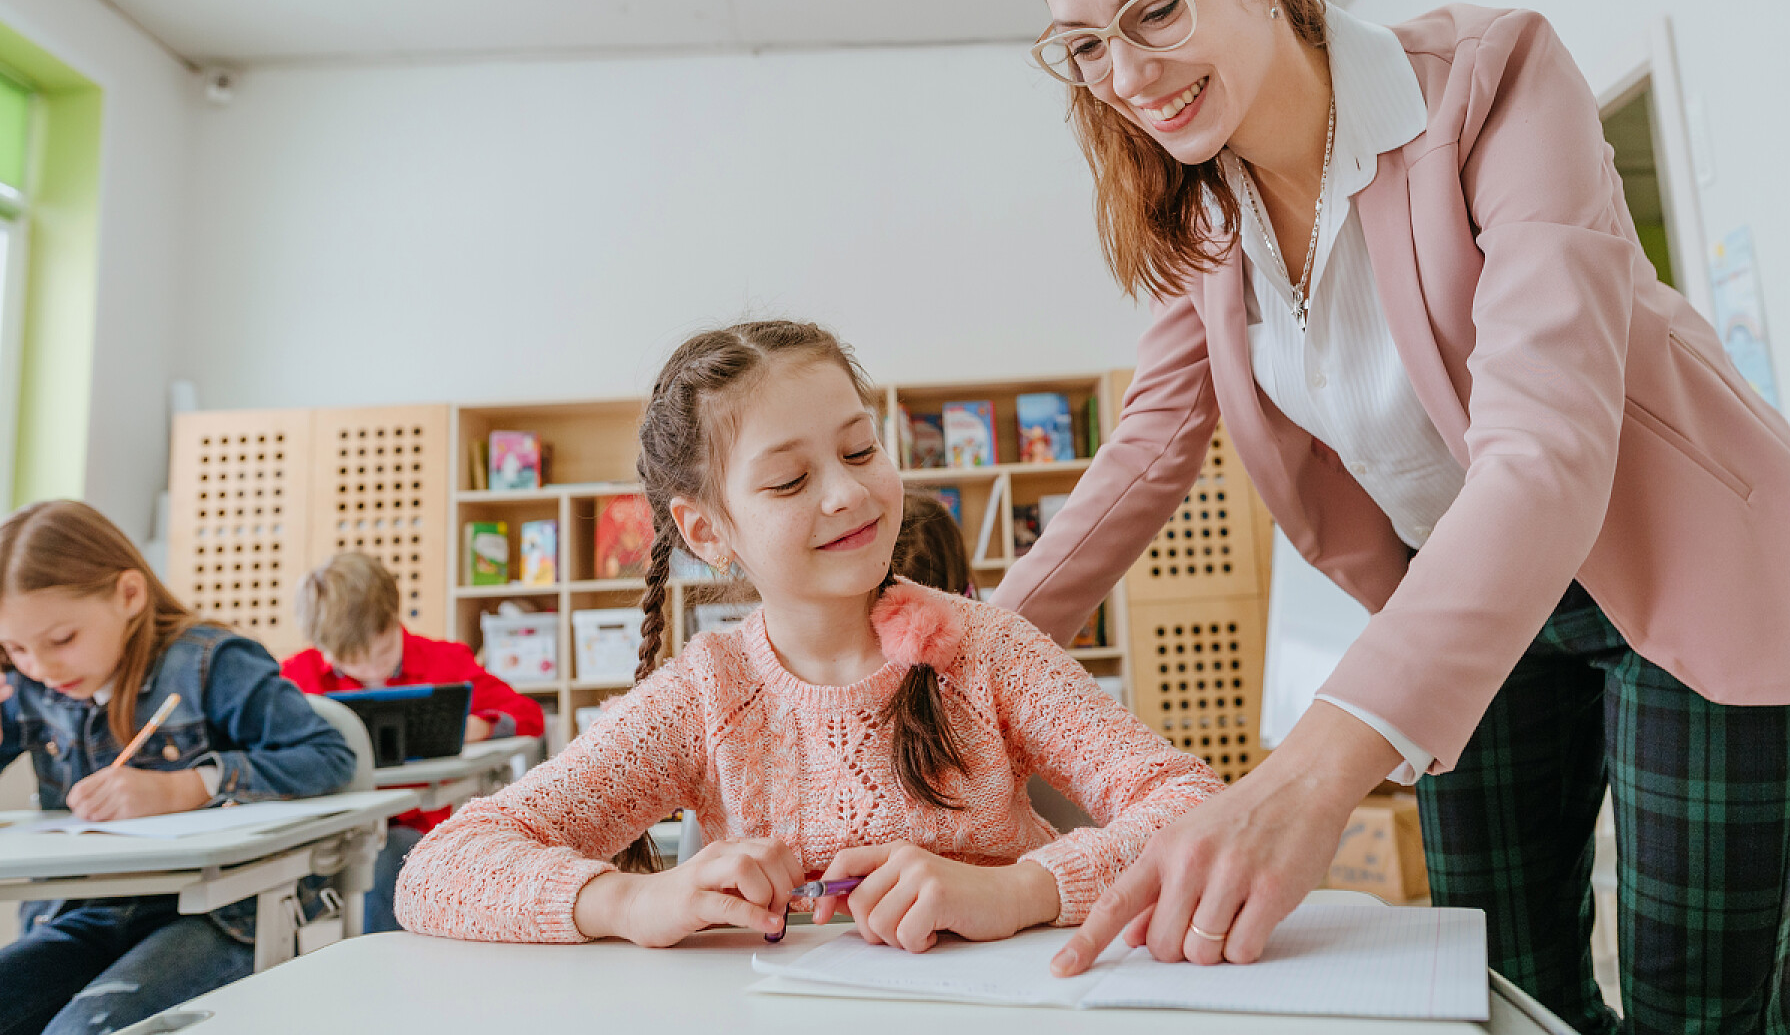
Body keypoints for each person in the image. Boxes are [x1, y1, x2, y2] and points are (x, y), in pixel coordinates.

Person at [996, 0, 1790, 1034]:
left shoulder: (1491, 83)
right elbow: (1142, 459)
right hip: (1473, 605)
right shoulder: (1210, 224)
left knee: (1692, 1009)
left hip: (1687, 564)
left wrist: (1313, 768)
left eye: (1155, 8)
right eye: (1087, 44)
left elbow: (1543, 450)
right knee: (1501, 992)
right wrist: (946, 664)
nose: (1128, 76)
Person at [395, 319, 1221, 952]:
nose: (847, 493)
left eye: (861, 450)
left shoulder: (987, 649)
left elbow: (1193, 805)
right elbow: (440, 869)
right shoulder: (706, 693)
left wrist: (1019, 892)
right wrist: (634, 901)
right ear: (707, 530)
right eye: (790, 479)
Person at [0, 500, 355, 1034]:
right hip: (90, 913)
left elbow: (329, 756)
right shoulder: (29, 687)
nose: (40, 667)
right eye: (14, 648)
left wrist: (188, 787)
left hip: (223, 914)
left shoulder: (209, 661)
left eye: (61, 640)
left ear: (129, 595)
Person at [281, 549, 546, 932]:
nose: (373, 668)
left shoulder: (445, 663)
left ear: (394, 618)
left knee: (387, 860)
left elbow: (527, 716)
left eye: (384, 651)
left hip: (413, 832)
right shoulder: (295, 678)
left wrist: (480, 726)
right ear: (325, 647)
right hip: (323, 832)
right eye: (353, 661)